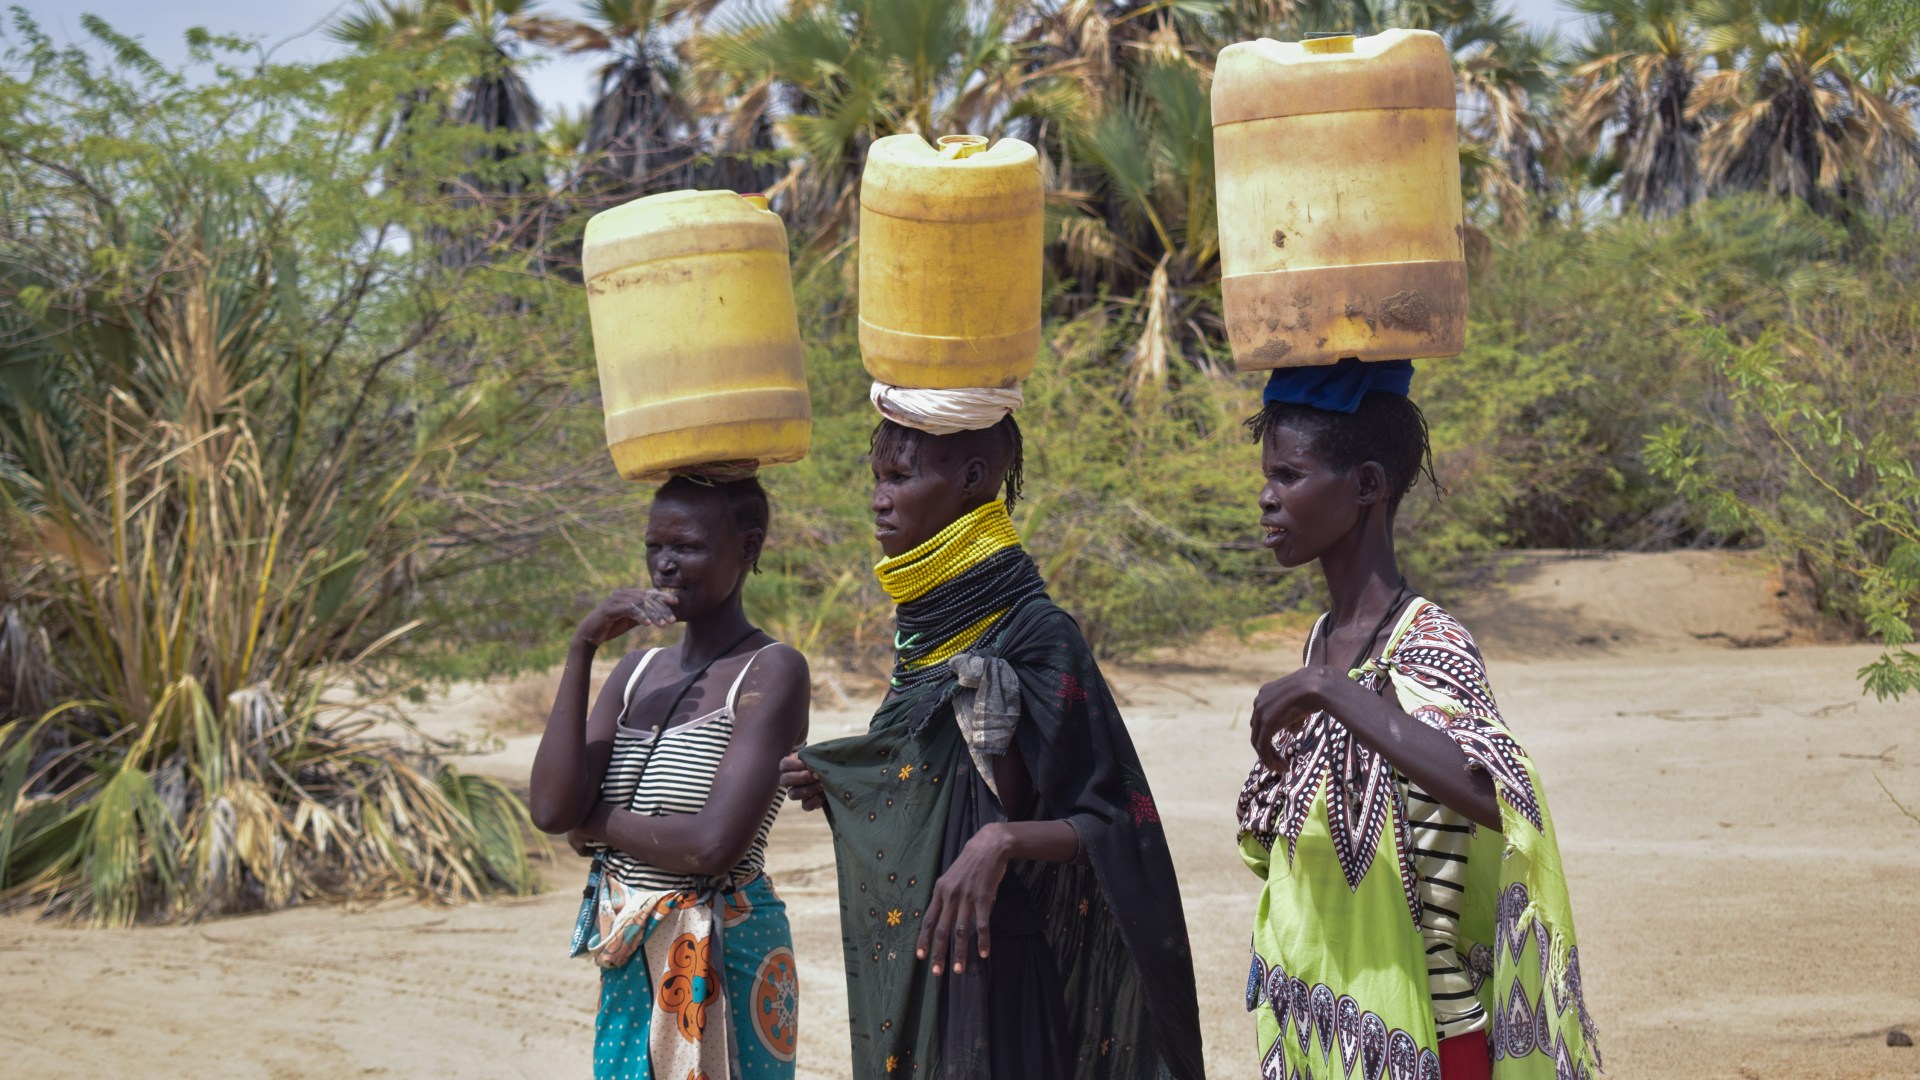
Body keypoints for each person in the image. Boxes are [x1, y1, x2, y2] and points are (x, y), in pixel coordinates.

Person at [778, 404, 1206, 1080]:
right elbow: (930, 784)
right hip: (924, 965)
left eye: (899, 477)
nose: (878, 498)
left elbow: (1115, 819)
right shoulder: (919, 639)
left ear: (974, 478)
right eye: (877, 477)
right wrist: (841, 778)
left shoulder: (1037, 635)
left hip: (1001, 971)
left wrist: (1001, 842)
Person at [1235, 359, 1599, 1080]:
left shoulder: (1431, 643)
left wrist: (1330, 692)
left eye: (1289, 476)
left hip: (1429, 1044)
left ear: (1367, 485)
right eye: (1268, 476)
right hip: (1324, 1039)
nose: (1266, 499)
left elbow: (1502, 795)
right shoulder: (1322, 640)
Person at [530, 474, 809, 1080]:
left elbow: (712, 846)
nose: (665, 566)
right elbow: (553, 811)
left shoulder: (771, 671)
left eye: (687, 547)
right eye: (655, 546)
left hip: (726, 947)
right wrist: (582, 647)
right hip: (632, 943)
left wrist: (597, 824)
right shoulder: (636, 671)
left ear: (749, 549)